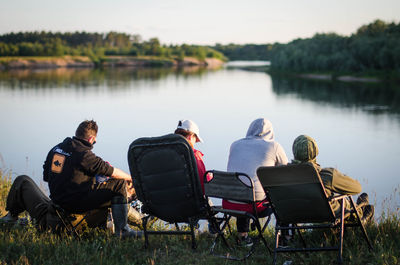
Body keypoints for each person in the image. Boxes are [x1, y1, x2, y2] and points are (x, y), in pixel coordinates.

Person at [1, 120, 143, 238]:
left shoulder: (56, 149)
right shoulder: (85, 155)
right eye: (94, 143)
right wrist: (131, 178)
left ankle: (10, 218)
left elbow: (46, 177)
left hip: (54, 207)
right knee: (118, 185)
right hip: (74, 212)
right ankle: (123, 231)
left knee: (23, 180)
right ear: (91, 139)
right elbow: (113, 172)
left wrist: (72, 177)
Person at [223, 118, 288, 246]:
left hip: (229, 203)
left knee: (243, 187)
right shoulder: (274, 146)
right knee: (281, 196)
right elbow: (285, 172)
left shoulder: (235, 144)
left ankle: (242, 236)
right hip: (255, 207)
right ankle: (284, 239)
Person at [291, 134, 374, 223]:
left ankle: (361, 207)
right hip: (328, 214)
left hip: (296, 214)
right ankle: (361, 215)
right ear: (315, 152)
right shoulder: (326, 175)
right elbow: (357, 188)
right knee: (348, 200)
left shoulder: (285, 176)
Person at [174, 119, 206, 192]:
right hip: (190, 201)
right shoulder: (194, 155)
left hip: (165, 200)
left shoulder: (164, 153)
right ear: (191, 137)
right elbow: (203, 186)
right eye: (195, 140)